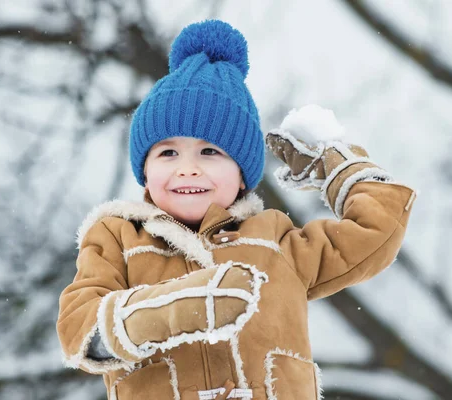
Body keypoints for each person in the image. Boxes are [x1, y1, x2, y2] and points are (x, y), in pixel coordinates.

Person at [57, 19, 416, 400]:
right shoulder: (118, 235)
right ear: (144, 172)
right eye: (168, 152)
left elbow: (376, 231)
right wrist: (167, 311)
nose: (187, 167)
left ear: (242, 175)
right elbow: (79, 330)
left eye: (210, 152)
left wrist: (337, 166)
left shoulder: (277, 241)